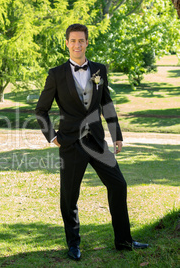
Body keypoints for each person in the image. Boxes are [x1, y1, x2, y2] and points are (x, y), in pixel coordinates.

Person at [35, 24, 149, 261]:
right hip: (70, 144)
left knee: (118, 185)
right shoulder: (56, 74)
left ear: (87, 43)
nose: (77, 45)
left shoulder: (99, 70)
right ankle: (74, 244)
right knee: (70, 197)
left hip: (97, 142)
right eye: (73, 40)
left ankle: (124, 241)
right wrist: (53, 137)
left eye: (81, 40)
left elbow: (106, 103)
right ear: (66, 43)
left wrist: (116, 134)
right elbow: (41, 110)